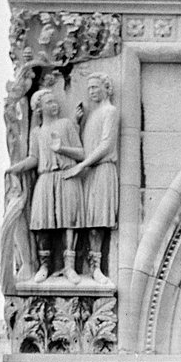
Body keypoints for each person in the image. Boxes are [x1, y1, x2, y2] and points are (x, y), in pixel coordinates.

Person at [8, 90, 85, 282]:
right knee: (42, 222)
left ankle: (69, 266)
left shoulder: (66, 125)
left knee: (70, 221)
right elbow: (34, 158)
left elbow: (81, 153)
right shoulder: (37, 132)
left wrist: (62, 149)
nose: (54, 105)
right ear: (40, 108)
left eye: (55, 101)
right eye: (49, 102)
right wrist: (15, 168)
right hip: (46, 178)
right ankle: (44, 265)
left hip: (66, 176)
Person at [72, 73, 119, 284]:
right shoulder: (91, 115)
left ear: (105, 88)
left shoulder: (110, 112)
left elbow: (106, 144)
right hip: (90, 171)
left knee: (97, 220)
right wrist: (76, 123)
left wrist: (83, 164)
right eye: (89, 88)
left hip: (101, 169)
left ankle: (97, 268)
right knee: (86, 218)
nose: (91, 92)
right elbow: (84, 146)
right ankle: (86, 266)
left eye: (95, 87)